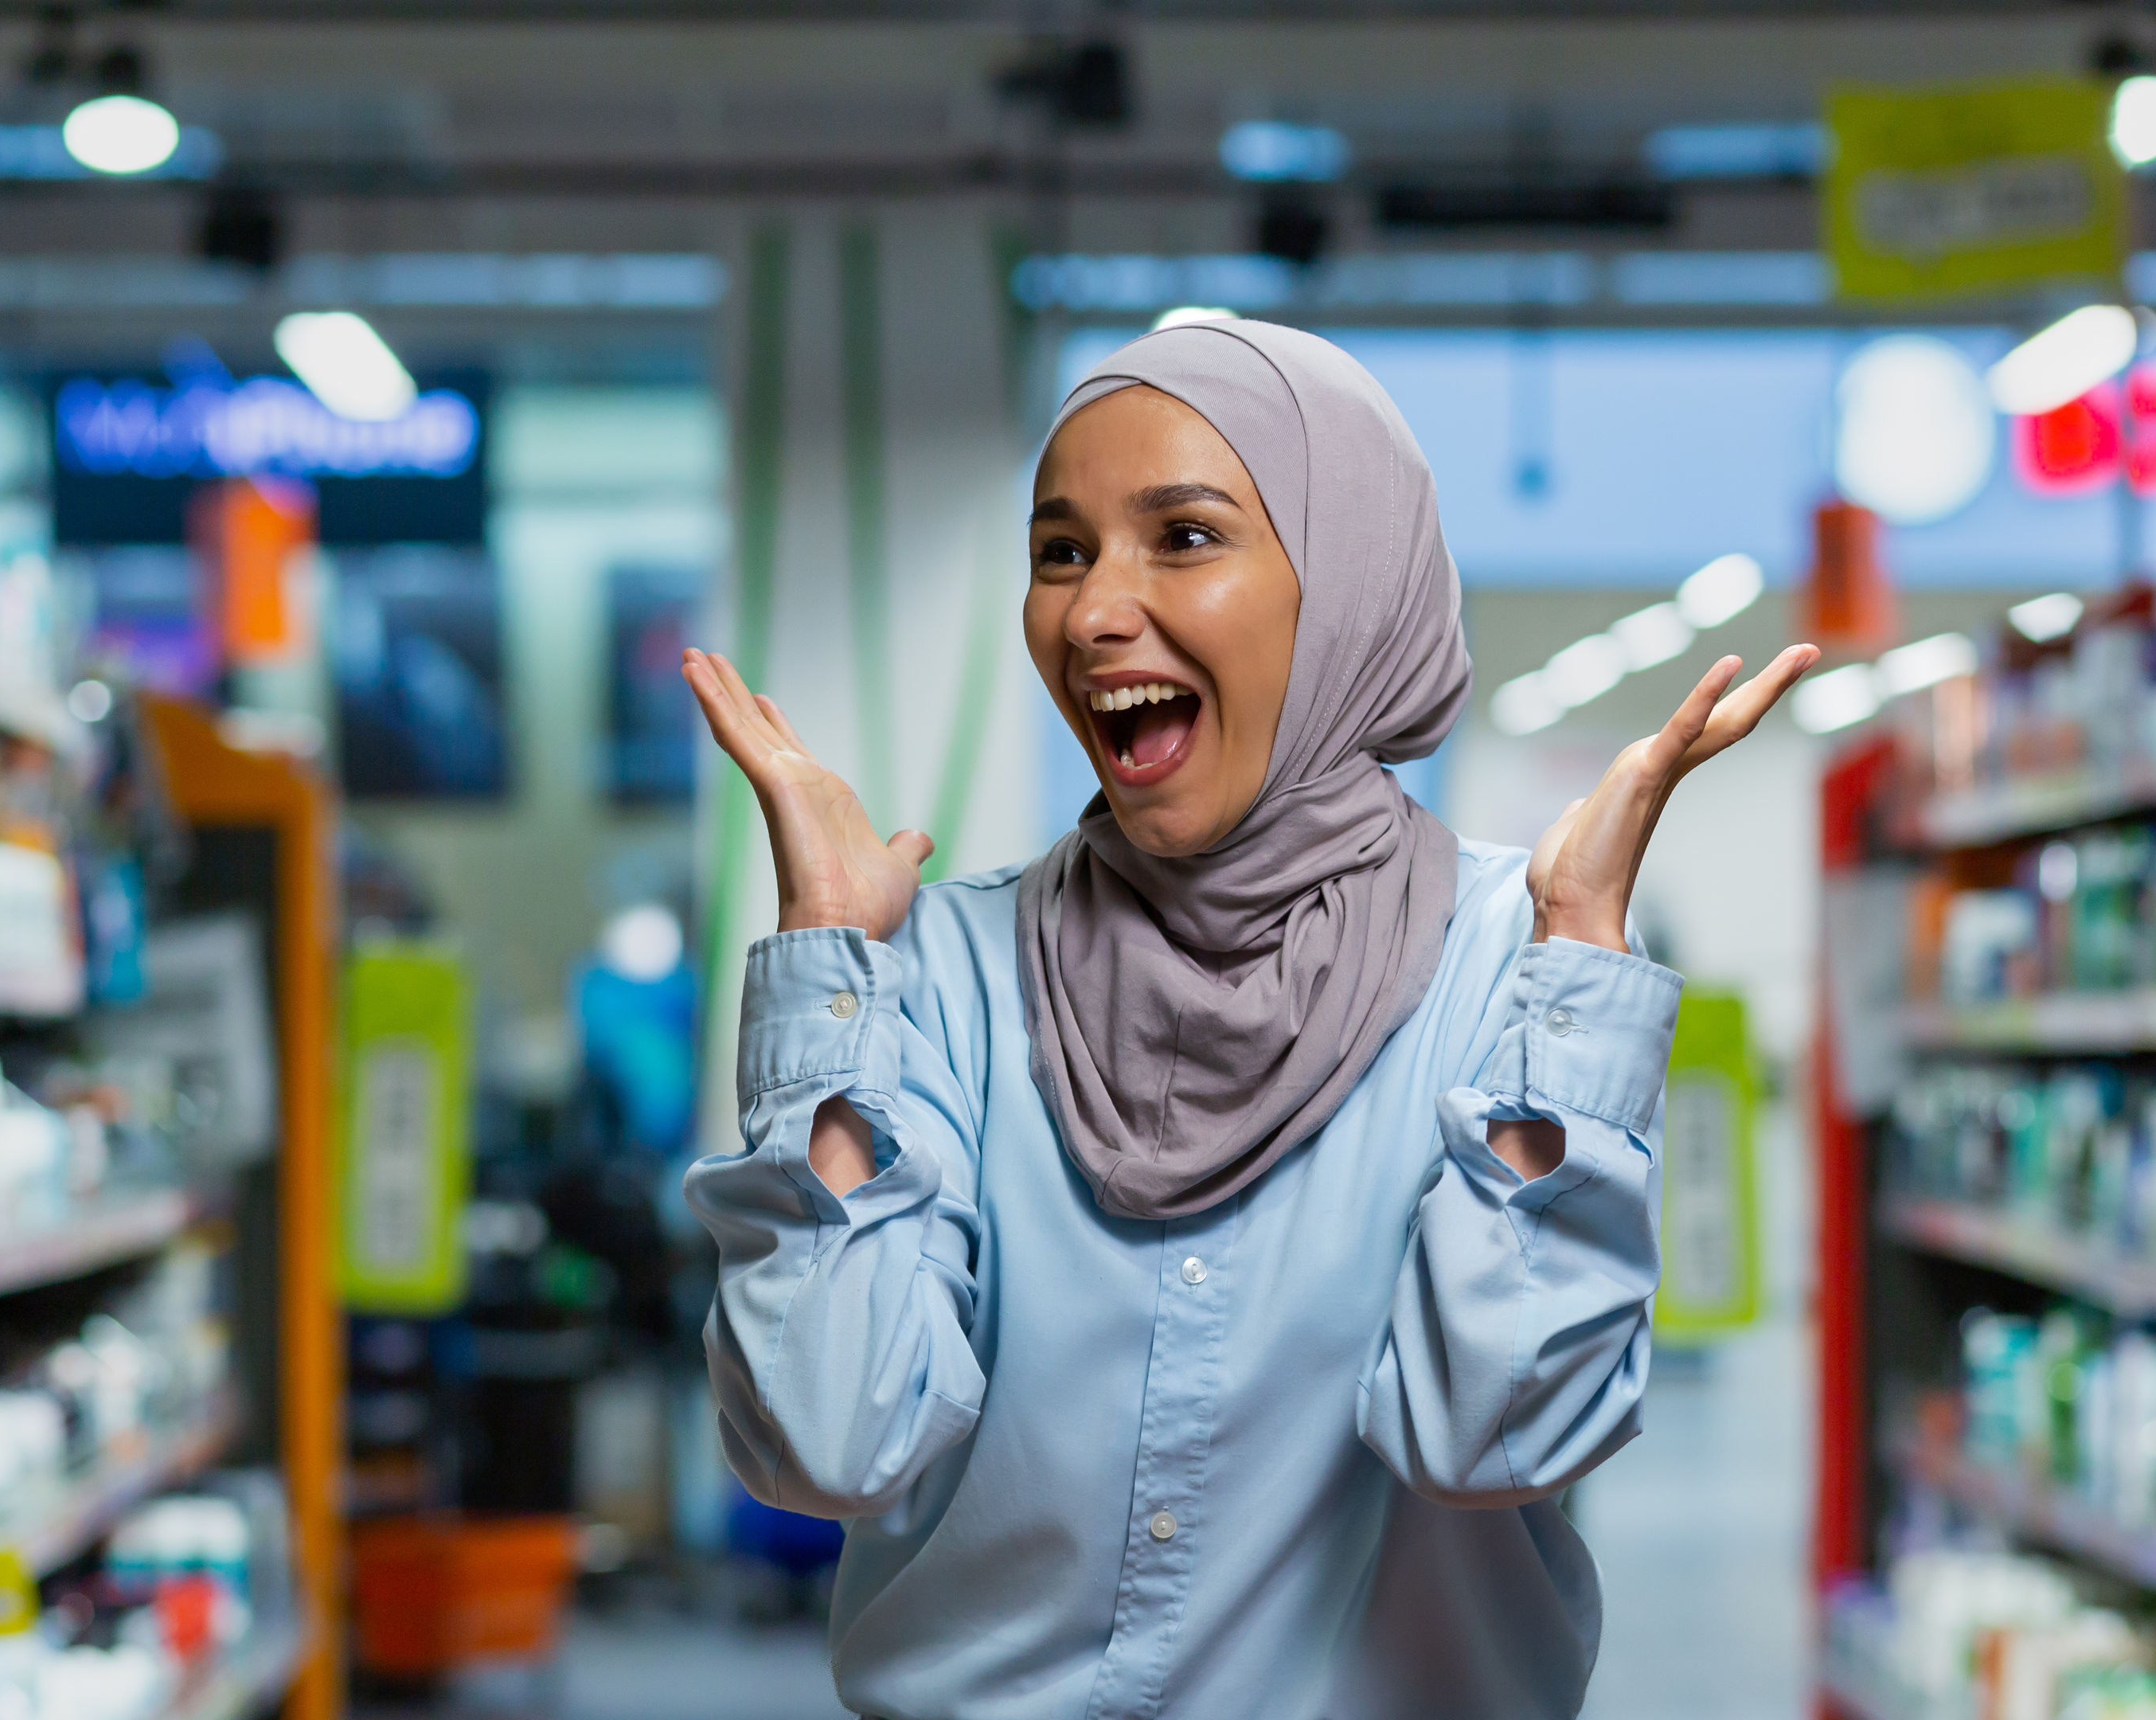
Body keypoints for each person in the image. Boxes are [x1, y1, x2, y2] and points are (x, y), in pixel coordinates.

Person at [682, 319, 1815, 1719]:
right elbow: (823, 1448)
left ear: (1339, 592)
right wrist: (824, 977)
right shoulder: (943, 976)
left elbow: (1497, 1433)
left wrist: (1579, 956)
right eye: (1062, 550)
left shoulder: (1510, 973)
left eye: (1184, 537)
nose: (1096, 610)